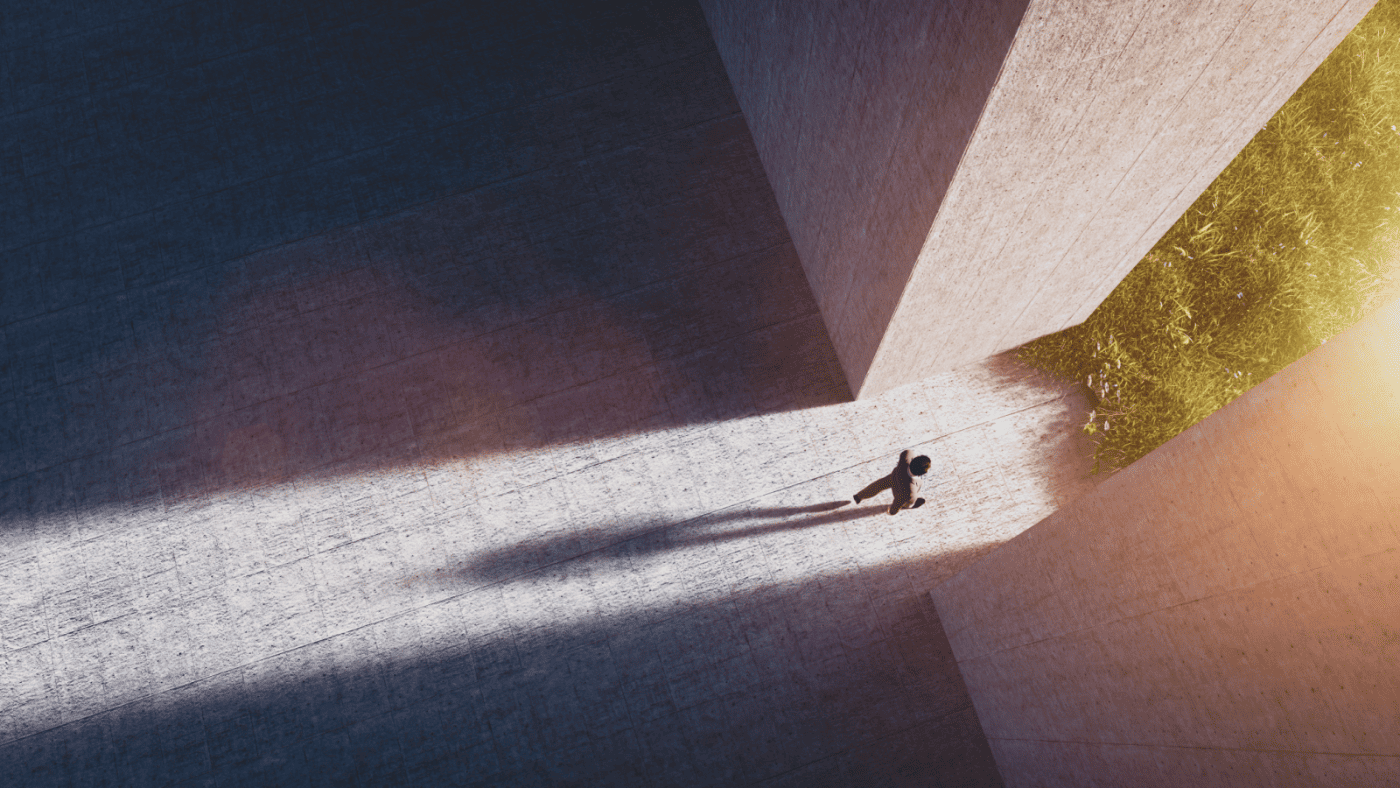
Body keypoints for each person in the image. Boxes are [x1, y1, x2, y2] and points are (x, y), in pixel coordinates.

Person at [853, 450, 931, 515]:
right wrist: (892, 512)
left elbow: (909, 453)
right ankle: (911, 506)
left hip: (894, 477)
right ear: (922, 473)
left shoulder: (906, 455)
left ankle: (859, 496)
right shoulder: (911, 492)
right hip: (901, 492)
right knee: (909, 502)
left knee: (877, 485)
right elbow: (897, 503)